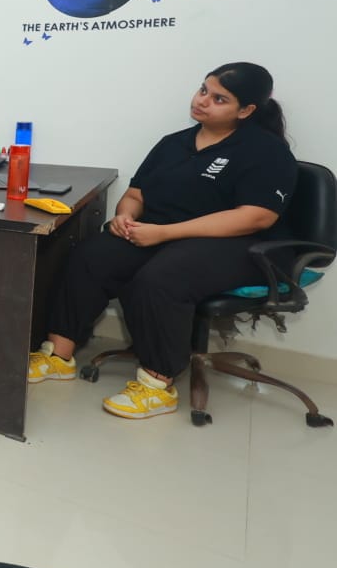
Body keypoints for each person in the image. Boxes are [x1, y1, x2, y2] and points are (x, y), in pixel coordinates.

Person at [27, 63, 297, 420]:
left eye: (219, 99)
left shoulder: (265, 150)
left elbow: (256, 216)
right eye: (204, 90)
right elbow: (136, 194)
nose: (202, 101)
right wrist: (125, 217)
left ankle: (157, 385)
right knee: (93, 255)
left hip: (234, 244)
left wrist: (165, 233)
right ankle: (58, 356)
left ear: (245, 110)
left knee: (161, 278)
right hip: (161, 235)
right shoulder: (174, 143)